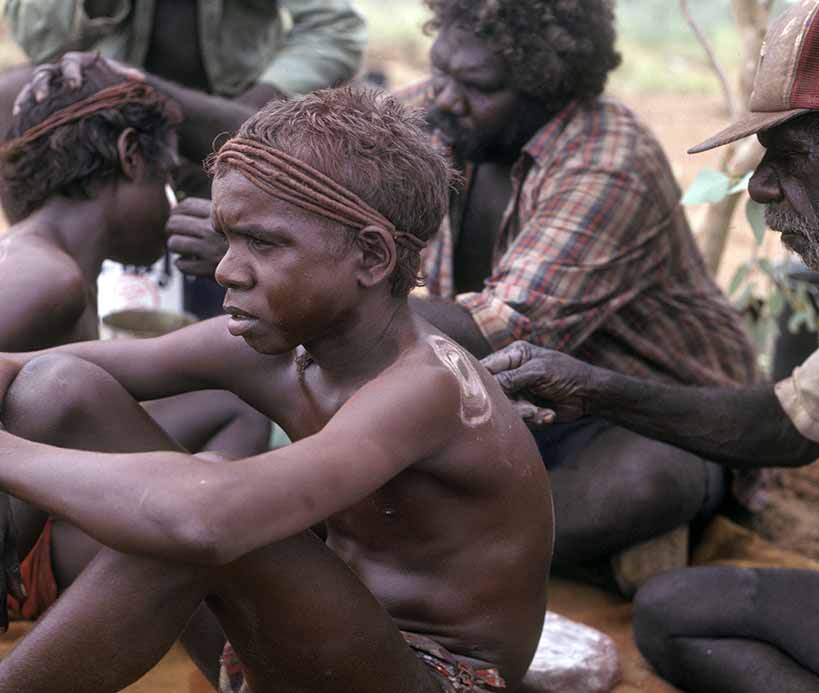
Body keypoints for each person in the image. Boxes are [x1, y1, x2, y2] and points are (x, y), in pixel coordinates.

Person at [482, 1, 819, 691]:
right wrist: (594, 388)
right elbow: (786, 423)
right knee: (671, 611)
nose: (763, 186)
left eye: (787, 156)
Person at [0, 83, 553, 693]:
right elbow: (24, 368)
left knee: (197, 511)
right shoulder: (278, 345)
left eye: (262, 242)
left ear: (370, 257)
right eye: (228, 237)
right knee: (55, 386)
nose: (225, 269)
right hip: (293, 654)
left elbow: (209, 519)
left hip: (432, 678)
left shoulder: (425, 386)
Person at [395, 0, 755, 583]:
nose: (443, 97)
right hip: (507, 399)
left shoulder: (609, 161)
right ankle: (521, 544)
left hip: (636, 409)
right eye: (440, 71)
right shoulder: (442, 113)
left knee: (652, 477)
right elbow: (322, 147)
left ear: (546, 85)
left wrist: (333, 300)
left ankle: (452, 551)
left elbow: (499, 328)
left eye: (476, 85)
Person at [0, 54, 272, 631]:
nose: (174, 199)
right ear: (130, 155)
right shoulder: (42, 274)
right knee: (183, 540)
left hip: (42, 537)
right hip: (20, 562)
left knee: (232, 407)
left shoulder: (52, 262)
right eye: (169, 177)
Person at [2, 0, 368, 317]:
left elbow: (334, 27)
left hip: (233, 116)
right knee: (11, 93)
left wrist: (243, 128)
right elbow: (43, 40)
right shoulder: (51, 282)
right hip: (116, 124)